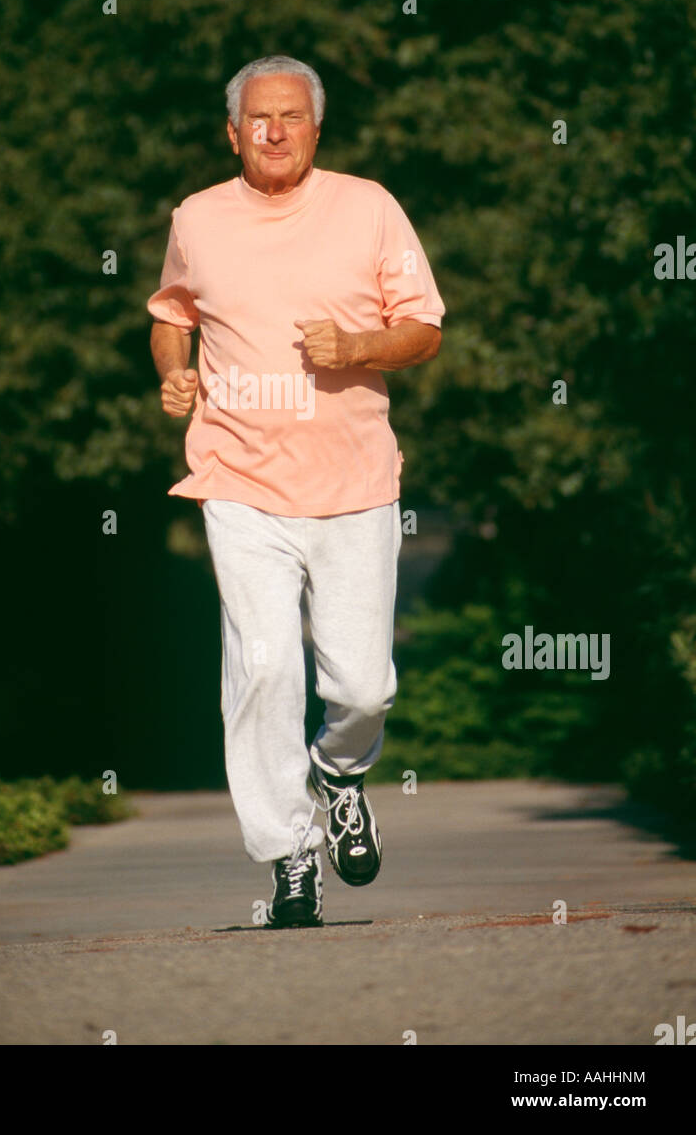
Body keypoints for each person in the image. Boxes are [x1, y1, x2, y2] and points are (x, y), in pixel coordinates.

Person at [147, 55, 445, 927]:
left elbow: (422, 330)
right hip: (238, 479)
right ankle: (288, 855)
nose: (273, 132)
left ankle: (341, 774)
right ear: (231, 132)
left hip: (354, 482)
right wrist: (176, 378)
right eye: (256, 119)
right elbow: (172, 317)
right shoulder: (196, 218)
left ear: (316, 127)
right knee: (264, 667)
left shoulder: (369, 207)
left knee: (361, 689)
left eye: (291, 117)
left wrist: (355, 348)